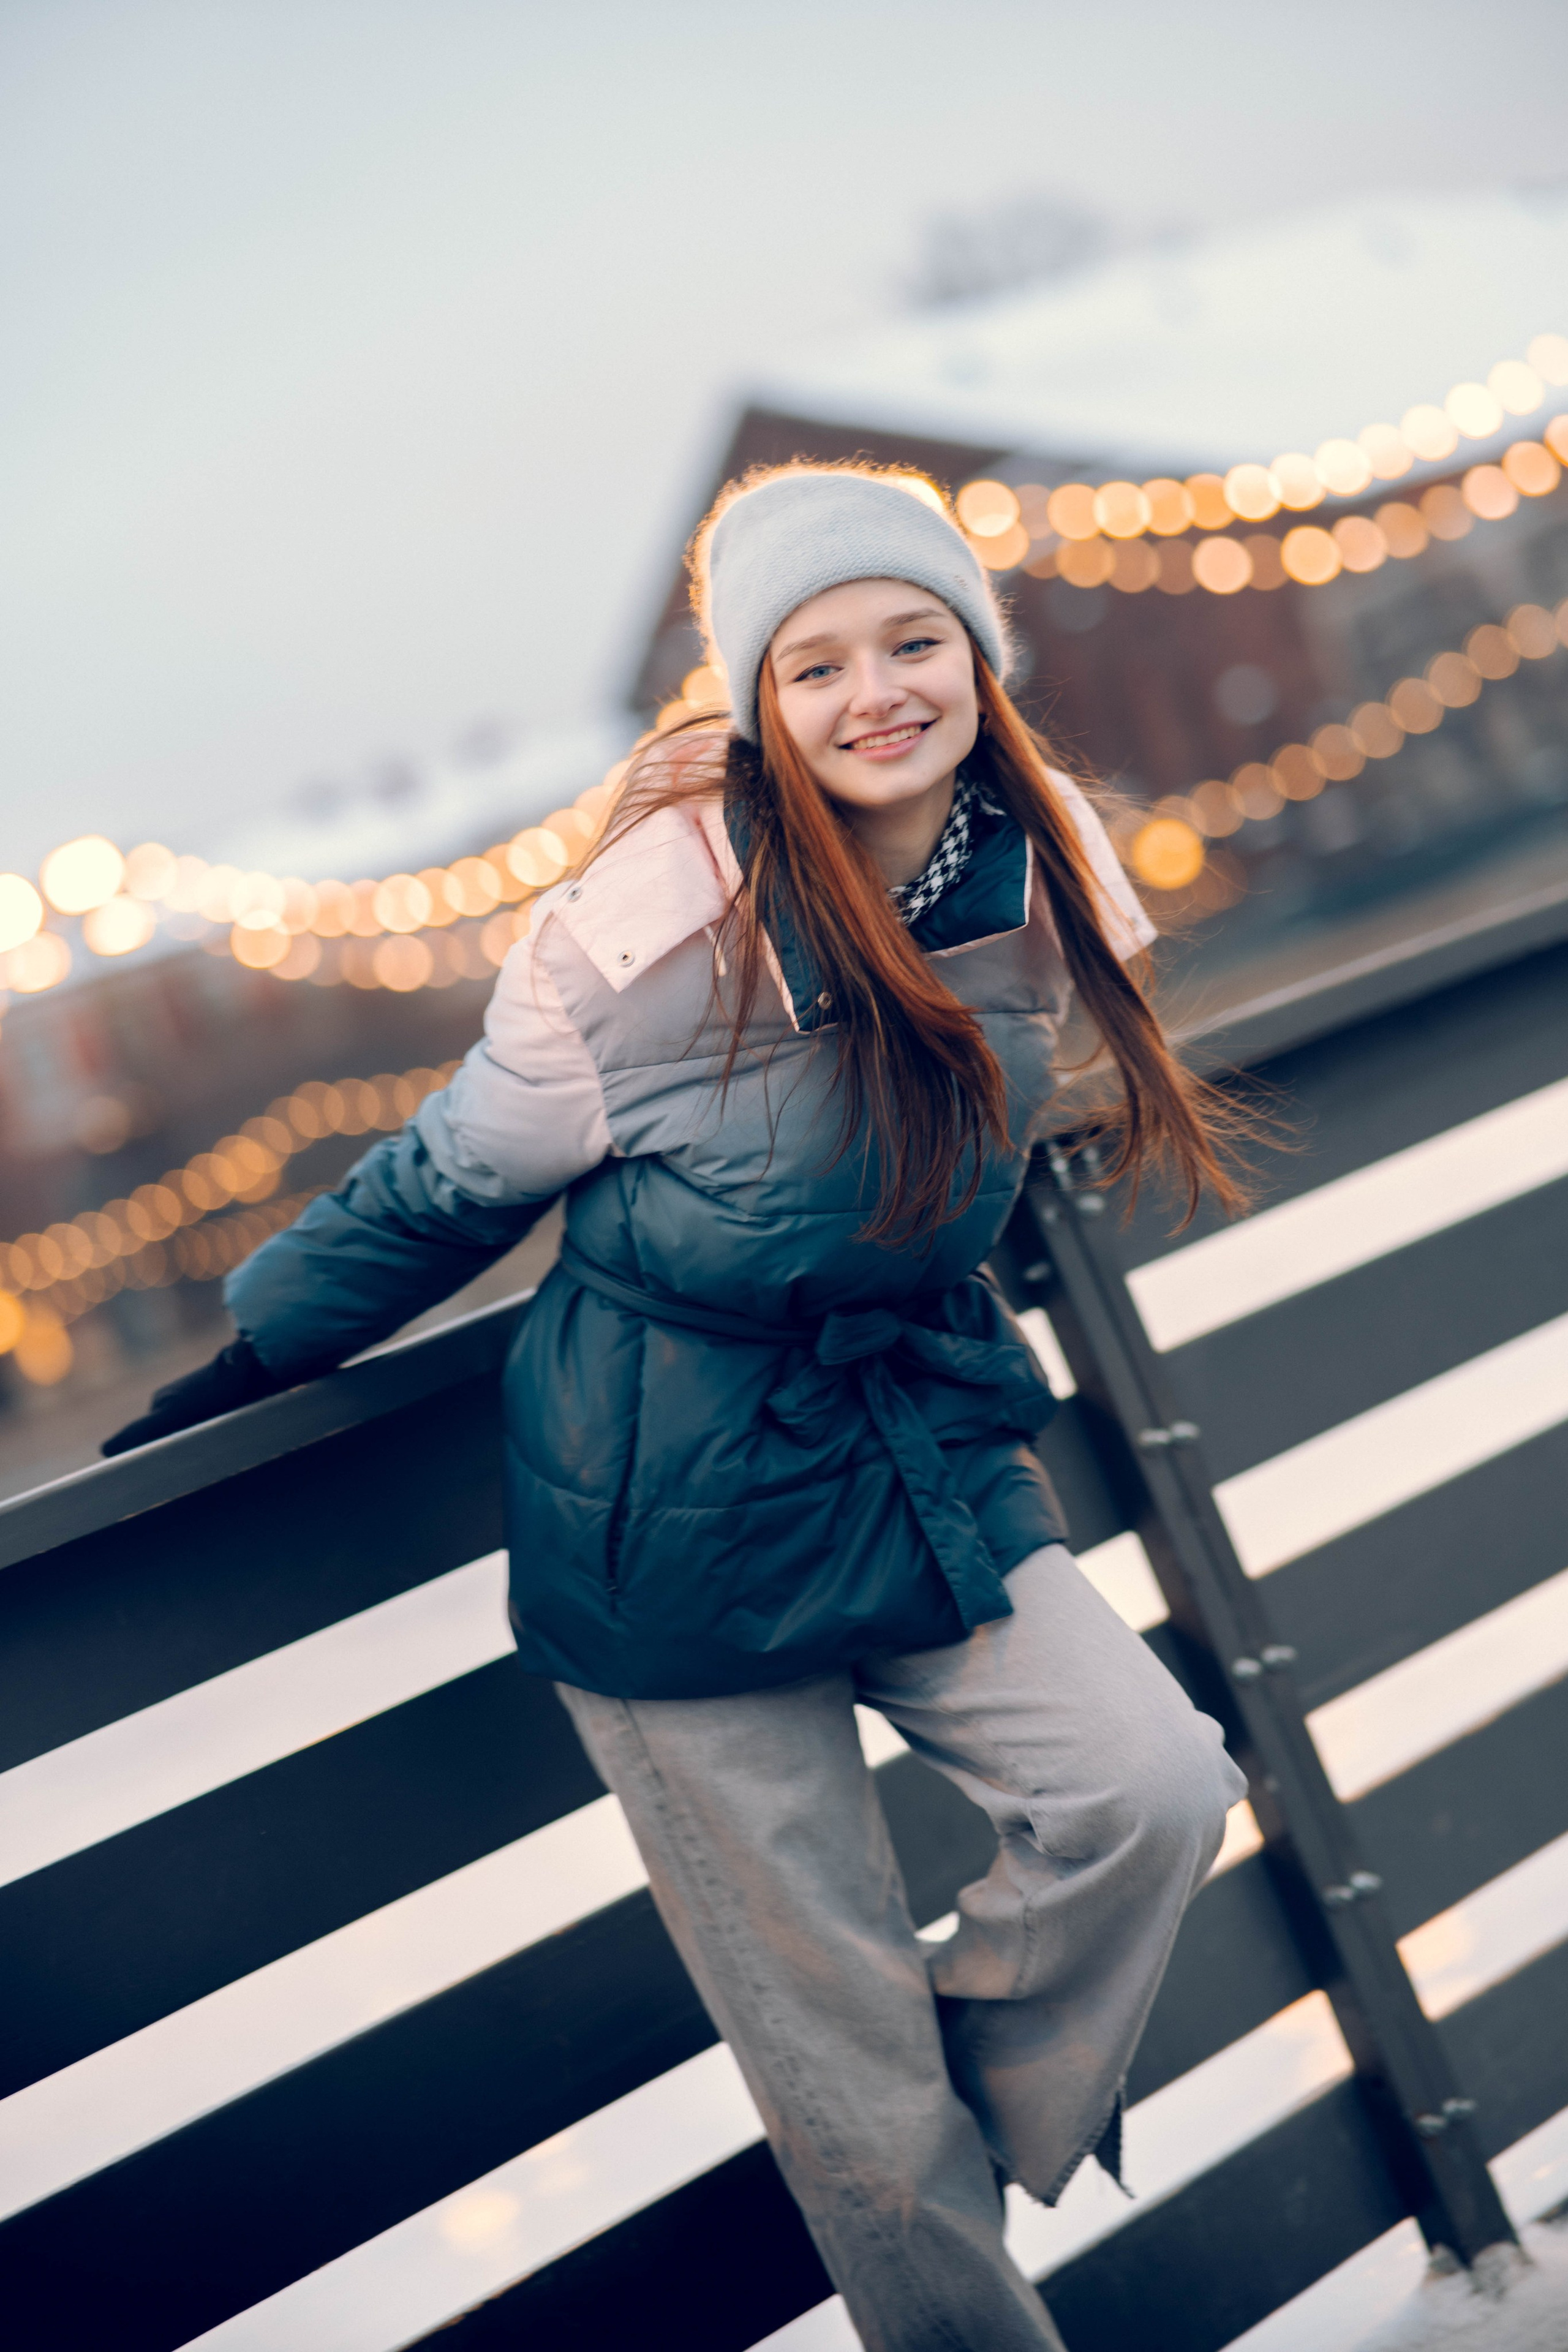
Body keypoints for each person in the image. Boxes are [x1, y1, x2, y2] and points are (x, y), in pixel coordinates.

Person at [106, 465, 1250, 2351]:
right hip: (665, 1525)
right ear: (756, 704)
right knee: (859, 2103)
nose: (877, 691)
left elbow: (989, 1128)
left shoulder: (1037, 874)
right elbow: (450, 1177)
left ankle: (924, 2098)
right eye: (816, 666)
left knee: (1148, 1786)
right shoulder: (646, 919)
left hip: (914, 1455)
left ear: (977, 652)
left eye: (914, 638)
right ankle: (896, 2165)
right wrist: (249, 1356)